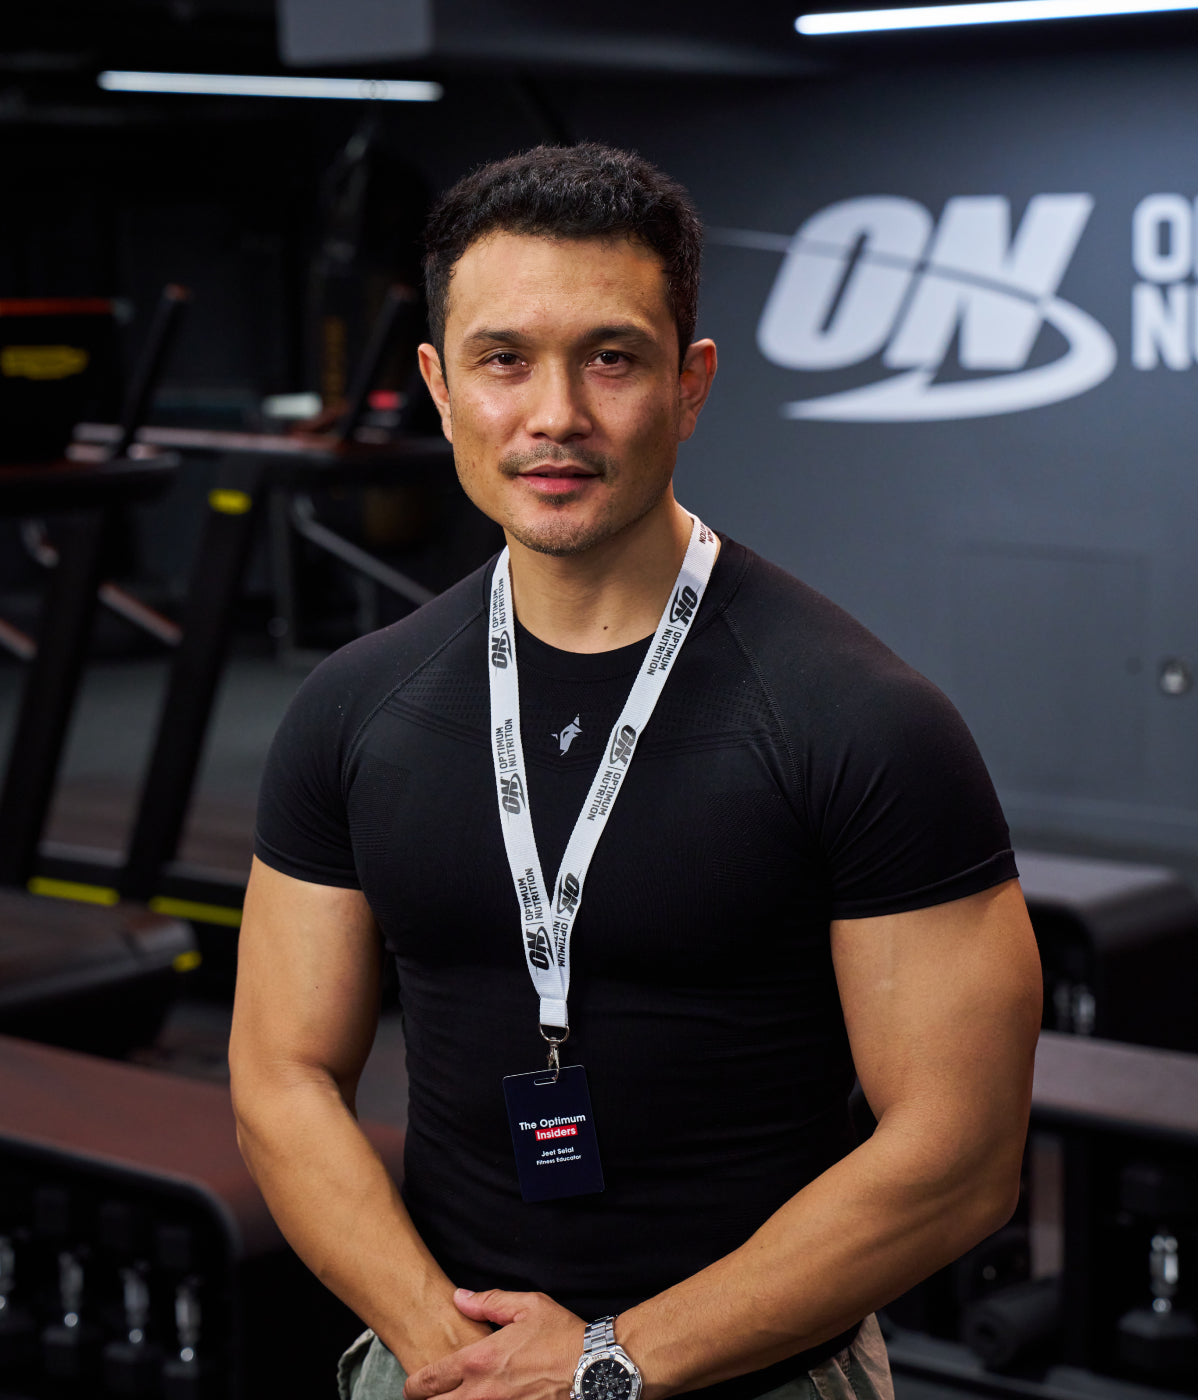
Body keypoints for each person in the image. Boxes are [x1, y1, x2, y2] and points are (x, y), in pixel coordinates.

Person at [229, 143, 1043, 1400]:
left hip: (763, 1376)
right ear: (440, 387)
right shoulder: (354, 709)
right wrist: (458, 1358)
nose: (555, 413)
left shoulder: (862, 720)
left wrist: (610, 1362)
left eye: (610, 357)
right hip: (445, 1369)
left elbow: (962, 1150)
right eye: (504, 360)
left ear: (690, 383)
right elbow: (280, 1074)